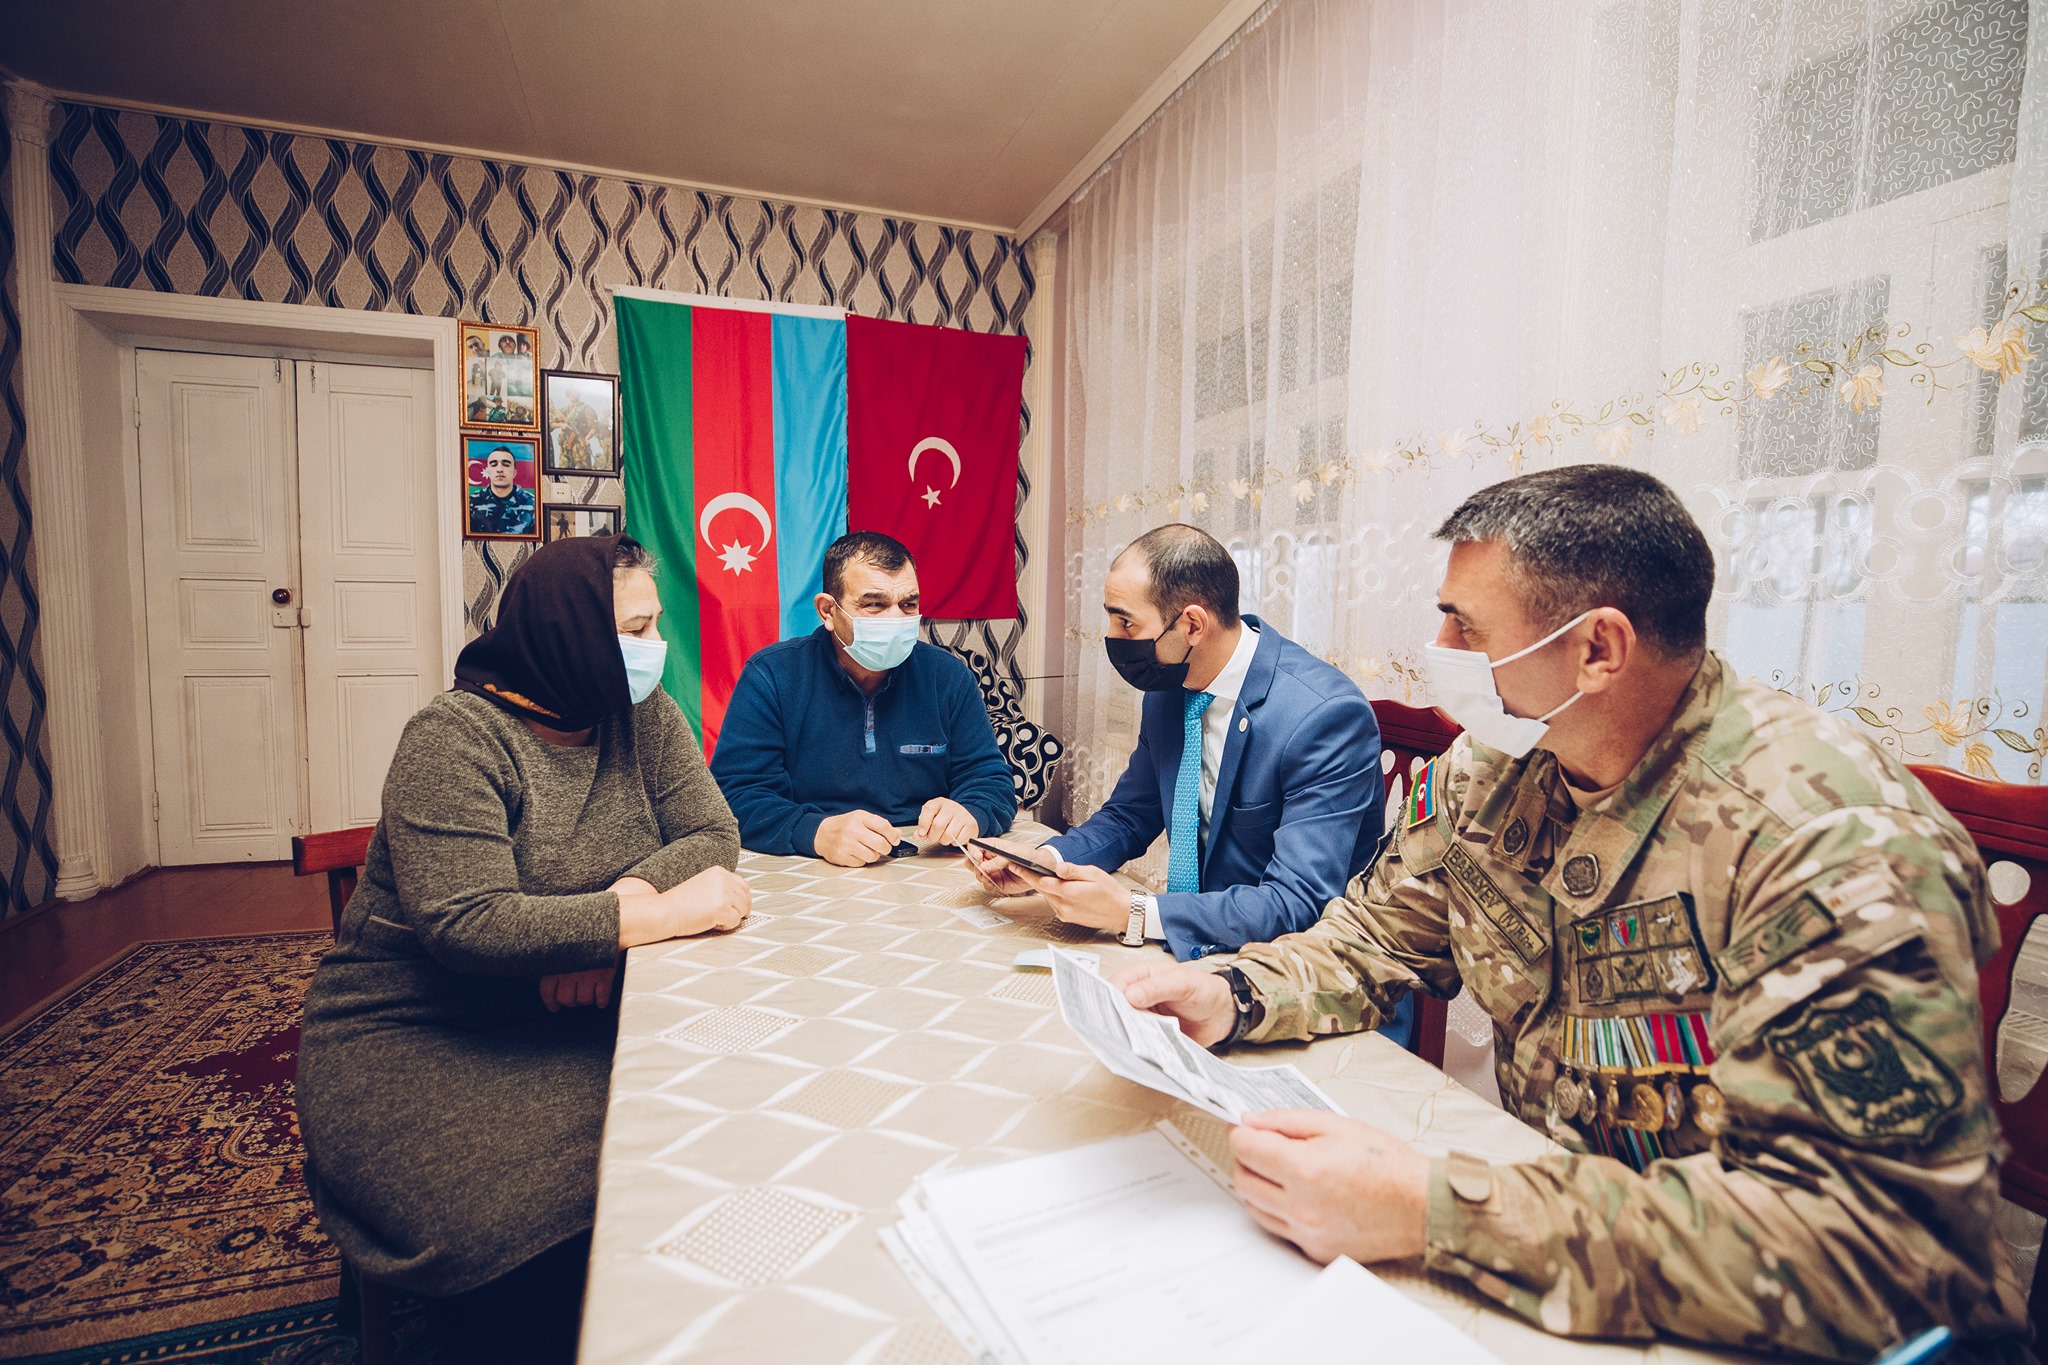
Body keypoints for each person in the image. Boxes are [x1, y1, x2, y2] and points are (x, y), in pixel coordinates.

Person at [1111, 467, 2030, 1359]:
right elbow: (1375, 937)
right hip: (1567, 1247)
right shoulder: (1493, 767)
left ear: (1598, 649)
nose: (1439, 644)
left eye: (1466, 624)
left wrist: (1433, 1210)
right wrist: (1234, 991)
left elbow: (1870, 1246)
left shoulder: (1828, 843)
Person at [295, 535, 750, 1364]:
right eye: (636, 629)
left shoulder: (642, 714)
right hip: (418, 1036)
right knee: (517, 1228)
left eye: (656, 624)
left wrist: (614, 909)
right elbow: (468, 922)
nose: (657, 647)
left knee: (706, 1150)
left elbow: (713, 831)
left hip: (572, 1014)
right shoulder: (453, 736)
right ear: (569, 633)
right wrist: (643, 919)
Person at [969, 523, 1385, 964]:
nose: (1112, 637)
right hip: (1199, 946)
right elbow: (1130, 815)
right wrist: (1045, 861)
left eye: (1126, 622)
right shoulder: (1170, 690)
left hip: (1299, 965)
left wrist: (1133, 911)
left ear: (1192, 625)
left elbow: (1296, 902)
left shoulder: (1323, 717)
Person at [710, 531, 1017, 866]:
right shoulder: (772, 675)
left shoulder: (947, 677)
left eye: (908, 604)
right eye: (874, 604)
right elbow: (737, 795)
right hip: (811, 859)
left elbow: (991, 780)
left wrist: (971, 812)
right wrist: (815, 832)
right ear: (828, 611)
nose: (896, 620)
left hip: (924, 856)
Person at [469, 446, 537, 536]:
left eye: (506, 465)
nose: (500, 469)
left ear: (514, 472)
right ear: (488, 471)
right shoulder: (471, 502)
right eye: (494, 465)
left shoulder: (532, 503)